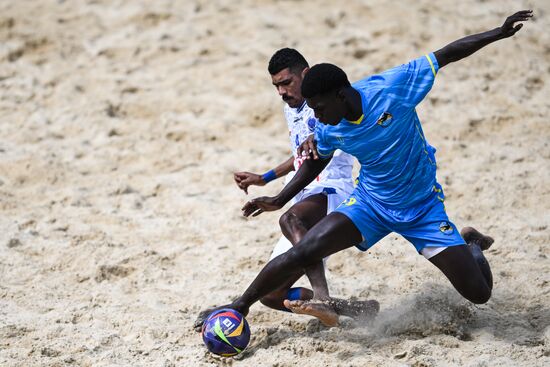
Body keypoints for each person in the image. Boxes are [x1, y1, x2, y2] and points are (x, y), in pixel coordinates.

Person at [197, 10, 532, 326]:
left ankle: (469, 243)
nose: (316, 117)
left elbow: (445, 55)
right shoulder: (327, 127)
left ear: (341, 95)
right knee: (306, 249)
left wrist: (499, 33)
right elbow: (315, 163)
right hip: (371, 204)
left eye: (320, 107)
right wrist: (279, 197)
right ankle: (240, 304)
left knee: (479, 294)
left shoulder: (391, 89)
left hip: (421, 208)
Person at [195, 49, 377, 330]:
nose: (281, 91)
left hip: (333, 189)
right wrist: (265, 177)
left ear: (305, 74)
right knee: (272, 295)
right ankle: (358, 310)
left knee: (291, 219)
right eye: (276, 86)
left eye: (286, 82)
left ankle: (322, 297)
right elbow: (300, 155)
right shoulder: (290, 108)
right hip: (306, 193)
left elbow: (329, 142)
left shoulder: (327, 101)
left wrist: (281, 197)